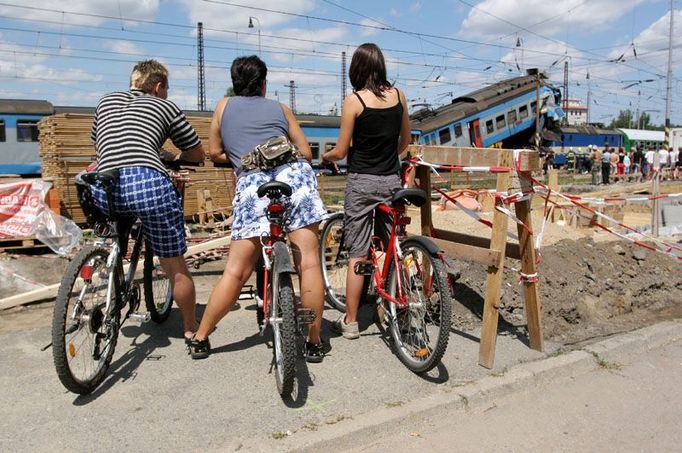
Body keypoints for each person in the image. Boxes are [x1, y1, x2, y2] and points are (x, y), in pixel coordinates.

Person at [189, 55, 329, 361]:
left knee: (236, 271)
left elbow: (214, 152)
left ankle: (200, 338)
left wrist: (240, 157)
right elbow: (305, 151)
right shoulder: (281, 108)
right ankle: (314, 341)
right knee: (308, 263)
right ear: (264, 84)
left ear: (235, 83)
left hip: (253, 185)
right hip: (295, 179)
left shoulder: (223, 106)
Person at [90, 59, 206, 343]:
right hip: (147, 185)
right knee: (175, 265)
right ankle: (191, 328)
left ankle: (110, 263)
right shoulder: (165, 106)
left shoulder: (105, 101)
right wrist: (174, 158)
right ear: (158, 86)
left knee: (117, 230)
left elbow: (101, 141)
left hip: (102, 187)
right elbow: (196, 153)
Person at [320, 43, 411, 339]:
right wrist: (389, 159)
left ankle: (350, 321)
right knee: (394, 243)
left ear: (356, 69)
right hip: (391, 181)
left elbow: (343, 151)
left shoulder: (354, 101)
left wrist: (326, 157)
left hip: (361, 183)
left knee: (358, 253)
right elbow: (405, 142)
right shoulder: (399, 96)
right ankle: (405, 302)